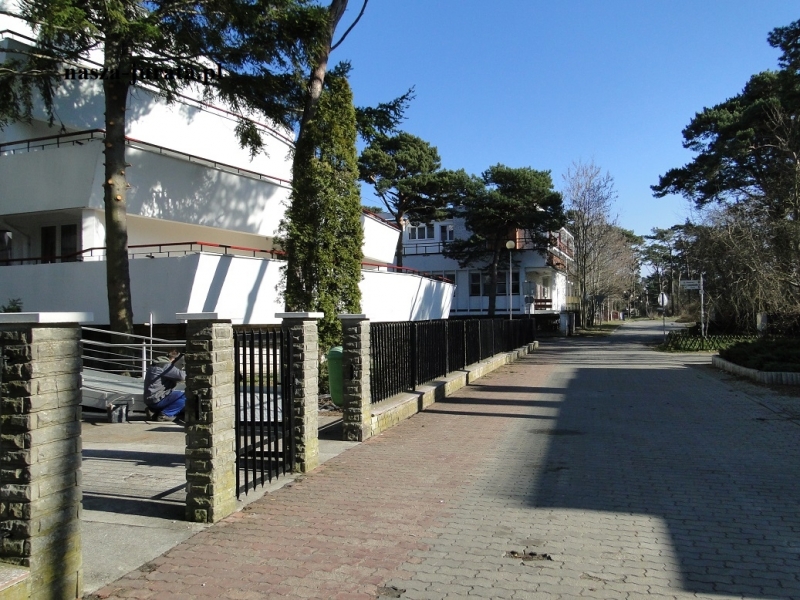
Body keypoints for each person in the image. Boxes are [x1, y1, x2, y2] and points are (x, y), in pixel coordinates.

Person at [143, 350, 186, 422]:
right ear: (174, 360)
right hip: (156, 399)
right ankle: (165, 415)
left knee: (174, 395)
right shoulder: (165, 366)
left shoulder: (157, 363)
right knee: (186, 395)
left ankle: (154, 412)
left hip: (150, 399)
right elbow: (182, 376)